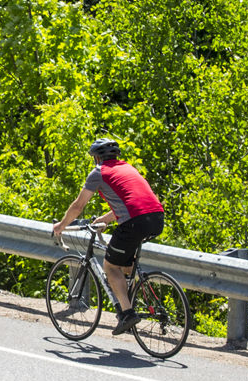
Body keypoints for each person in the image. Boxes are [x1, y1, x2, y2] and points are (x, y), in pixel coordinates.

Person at [52, 138, 165, 334]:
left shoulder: (99, 172)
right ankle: (133, 301)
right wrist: (103, 220)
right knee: (126, 265)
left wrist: (61, 226)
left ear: (96, 157)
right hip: (156, 218)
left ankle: (128, 314)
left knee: (110, 266)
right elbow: (131, 203)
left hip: (134, 222)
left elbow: (78, 205)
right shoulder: (128, 168)